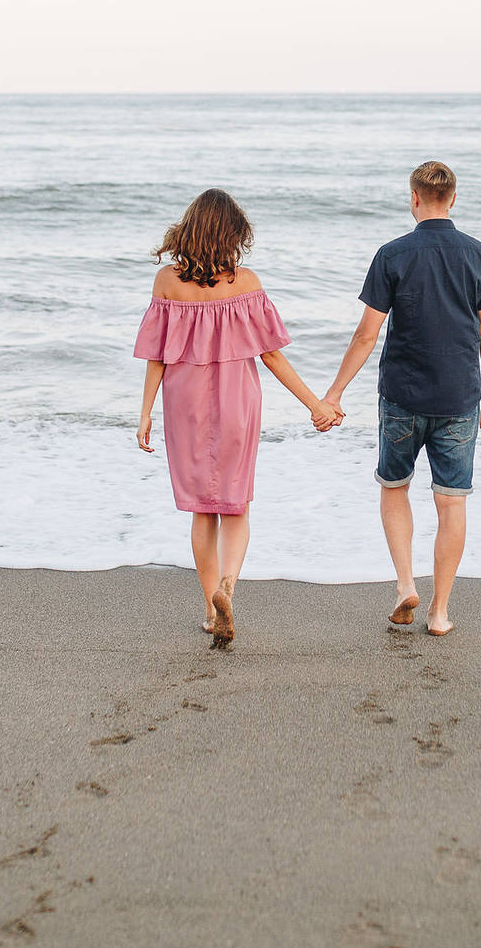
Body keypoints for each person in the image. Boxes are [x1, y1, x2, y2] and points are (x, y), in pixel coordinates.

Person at [135, 188, 337, 646]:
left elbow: (156, 357)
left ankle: (210, 607)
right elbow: (273, 358)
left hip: (183, 403)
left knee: (202, 510)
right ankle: (229, 584)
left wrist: (145, 412)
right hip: (237, 401)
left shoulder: (167, 282)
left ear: (189, 229)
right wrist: (316, 406)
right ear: (233, 234)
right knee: (235, 502)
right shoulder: (245, 284)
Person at [323, 161, 481, 636]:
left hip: (402, 394)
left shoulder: (393, 254)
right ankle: (440, 612)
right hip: (459, 396)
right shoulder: (478, 255)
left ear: (414, 198)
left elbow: (366, 334)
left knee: (394, 487)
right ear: (454, 199)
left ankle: (406, 584)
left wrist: (334, 392)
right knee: (452, 503)